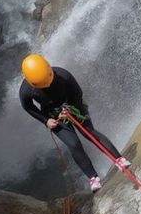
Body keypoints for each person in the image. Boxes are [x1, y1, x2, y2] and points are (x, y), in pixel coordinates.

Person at [19, 54, 131, 193]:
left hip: (74, 105)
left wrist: (69, 108)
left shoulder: (62, 75)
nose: (48, 84)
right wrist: (45, 120)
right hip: (53, 115)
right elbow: (28, 107)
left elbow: (77, 93)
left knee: (88, 132)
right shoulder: (26, 91)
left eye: (49, 79)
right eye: (43, 84)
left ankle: (118, 159)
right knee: (73, 144)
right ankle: (93, 178)